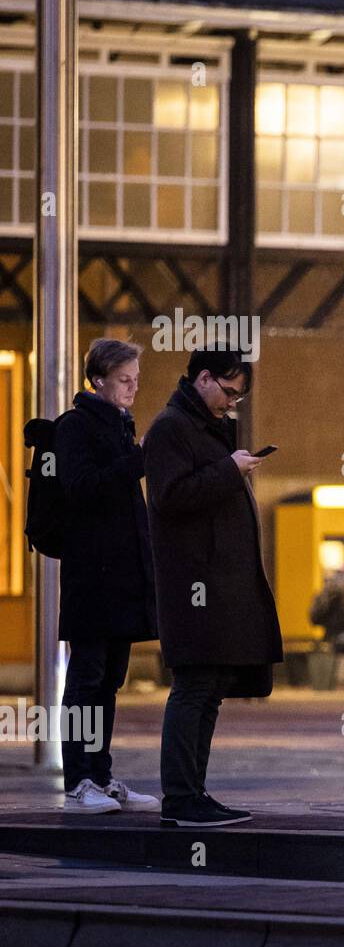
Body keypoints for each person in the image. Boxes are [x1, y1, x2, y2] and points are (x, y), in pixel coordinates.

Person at [144, 347, 283, 827]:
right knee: (194, 686)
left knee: (210, 689)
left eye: (238, 397)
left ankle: (194, 792)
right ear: (203, 378)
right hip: (192, 587)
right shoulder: (169, 429)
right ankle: (180, 797)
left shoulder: (203, 429)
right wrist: (230, 469)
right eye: (227, 392)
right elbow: (169, 496)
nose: (231, 403)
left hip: (215, 588)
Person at [55, 339, 159, 814]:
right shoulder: (75, 427)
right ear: (97, 379)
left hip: (121, 579)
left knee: (109, 682)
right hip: (91, 579)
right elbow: (79, 488)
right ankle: (78, 781)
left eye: (136, 379)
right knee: (86, 678)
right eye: (124, 379)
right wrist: (135, 463)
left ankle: (101, 775)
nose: (133, 388)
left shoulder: (121, 426)